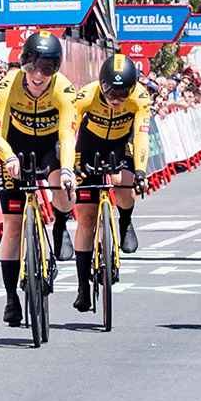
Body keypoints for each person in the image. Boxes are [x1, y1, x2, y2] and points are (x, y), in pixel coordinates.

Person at [0, 30, 79, 326]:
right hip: (16, 148)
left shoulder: (64, 90)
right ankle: (11, 298)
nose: (38, 74)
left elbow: (67, 136)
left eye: (47, 67)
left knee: (64, 189)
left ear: (56, 69)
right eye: (32, 65)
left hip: (49, 148)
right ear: (23, 63)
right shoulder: (7, 86)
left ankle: (61, 223)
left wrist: (68, 171)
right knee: (12, 227)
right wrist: (9, 158)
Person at [68, 54, 152, 312]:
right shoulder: (86, 95)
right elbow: (68, 131)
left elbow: (141, 136)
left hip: (120, 143)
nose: (116, 99)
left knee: (125, 185)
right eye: (110, 93)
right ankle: (82, 287)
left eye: (122, 93)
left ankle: (125, 220)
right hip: (88, 145)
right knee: (86, 218)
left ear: (132, 88)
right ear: (101, 84)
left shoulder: (140, 97)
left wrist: (140, 171)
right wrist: (68, 165)